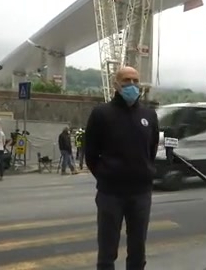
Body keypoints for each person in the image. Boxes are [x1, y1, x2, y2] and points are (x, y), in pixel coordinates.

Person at [84, 66, 159, 270]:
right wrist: (105, 175)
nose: (132, 85)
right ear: (116, 84)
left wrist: (145, 172)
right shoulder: (101, 114)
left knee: (137, 250)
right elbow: (90, 152)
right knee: (107, 250)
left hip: (141, 193)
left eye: (136, 81)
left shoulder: (149, 115)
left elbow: (151, 150)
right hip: (110, 194)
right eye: (127, 80)